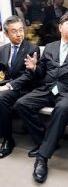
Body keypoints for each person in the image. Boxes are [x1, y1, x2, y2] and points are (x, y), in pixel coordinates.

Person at [14, 11, 68, 183]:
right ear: (60, 27)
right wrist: (35, 68)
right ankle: (45, 141)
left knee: (62, 108)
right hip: (48, 88)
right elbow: (42, 72)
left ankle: (42, 157)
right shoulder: (50, 47)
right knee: (22, 103)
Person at [0, 15, 40, 158]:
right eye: (14, 31)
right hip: (7, 86)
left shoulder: (31, 48)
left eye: (21, 30)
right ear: (6, 34)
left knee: (1, 98)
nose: (19, 34)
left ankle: (7, 140)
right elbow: (2, 71)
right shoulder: (3, 49)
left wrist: (9, 86)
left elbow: (28, 76)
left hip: (24, 88)